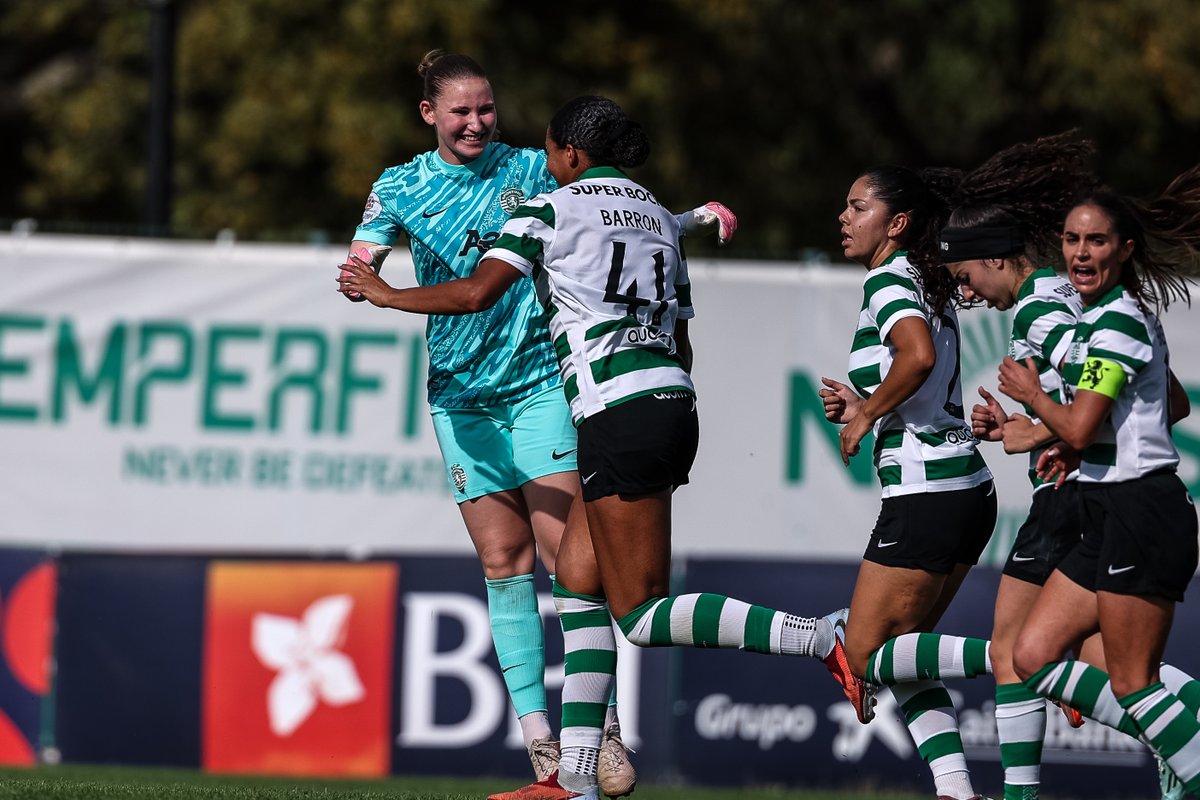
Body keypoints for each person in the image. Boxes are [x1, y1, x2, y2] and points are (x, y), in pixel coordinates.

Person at [339, 94, 855, 800]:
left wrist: (386, 294)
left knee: (639, 614)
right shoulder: (650, 214)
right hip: (666, 402)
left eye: (551, 153)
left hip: (620, 412)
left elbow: (474, 295)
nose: (544, 163)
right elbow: (681, 336)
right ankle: (570, 781)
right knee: (577, 585)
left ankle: (823, 639)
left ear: (573, 156)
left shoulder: (548, 209)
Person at [997, 172, 1200, 800]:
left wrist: (1036, 403)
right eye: (1071, 240)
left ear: (1125, 249)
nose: (1081, 253)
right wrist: (1063, 441)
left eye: (1097, 241)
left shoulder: (1116, 322)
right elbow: (1169, 402)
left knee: (1132, 682)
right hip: (1106, 508)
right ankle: (1177, 739)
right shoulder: (1100, 318)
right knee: (1031, 656)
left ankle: (1186, 754)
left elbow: (1084, 423)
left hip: (1144, 511)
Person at [818, 163, 1000, 800]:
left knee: (866, 655)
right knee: (905, 655)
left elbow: (917, 356)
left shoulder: (889, 279)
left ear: (896, 224)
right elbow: (917, 374)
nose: (843, 217)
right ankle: (956, 792)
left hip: (928, 494)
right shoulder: (923, 279)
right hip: (964, 489)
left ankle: (1022, 660)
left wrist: (866, 414)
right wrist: (864, 399)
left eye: (856, 206)